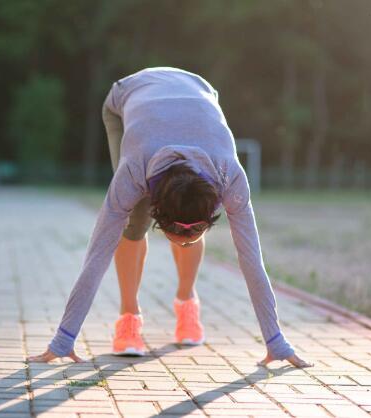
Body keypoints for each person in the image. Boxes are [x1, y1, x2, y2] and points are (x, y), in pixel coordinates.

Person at [28, 67, 313, 368]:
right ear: (160, 217)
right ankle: (128, 317)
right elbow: (97, 254)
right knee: (132, 222)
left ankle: (187, 302)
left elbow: (251, 259)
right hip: (127, 94)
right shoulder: (134, 168)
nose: (189, 237)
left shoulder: (229, 174)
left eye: (197, 230)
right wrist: (64, 339)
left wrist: (275, 341)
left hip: (199, 89)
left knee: (186, 210)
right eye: (181, 232)